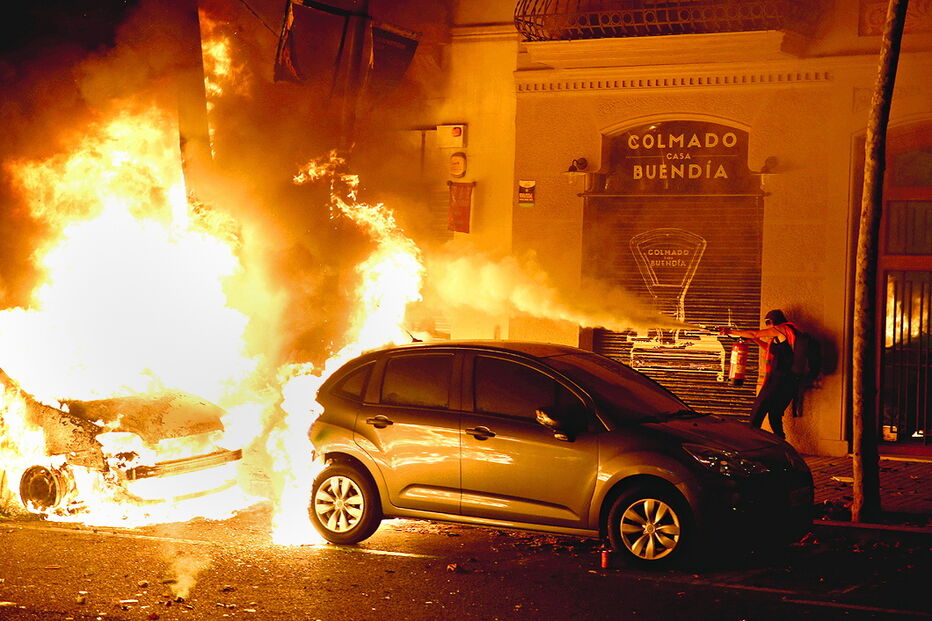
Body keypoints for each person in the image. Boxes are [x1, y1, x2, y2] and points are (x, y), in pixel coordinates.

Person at [719, 309, 801, 439]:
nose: (767, 327)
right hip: (789, 381)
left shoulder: (780, 329)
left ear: (772, 322)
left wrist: (729, 331)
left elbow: (754, 333)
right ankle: (781, 443)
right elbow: (772, 350)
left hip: (778, 379)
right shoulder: (788, 333)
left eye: (767, 323)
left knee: (758, 409)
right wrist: (755, 341)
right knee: (775, 413)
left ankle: (750, 441)